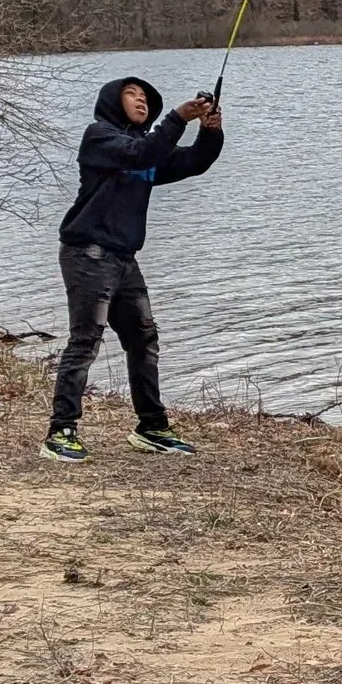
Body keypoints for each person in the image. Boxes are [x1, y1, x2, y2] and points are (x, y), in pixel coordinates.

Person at [43, 74, 225, 462]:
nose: (141, 100)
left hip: (124, 259)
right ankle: (61, 432)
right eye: (131, 94)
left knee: (143, 339)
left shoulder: (146, 150)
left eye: (146, 97)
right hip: (87, 253)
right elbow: (139, 154)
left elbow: (191, 162)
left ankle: (152, 427)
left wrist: (210, 132)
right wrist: (177, 117)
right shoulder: (99, 137)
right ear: (112, 101)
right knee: (86, 340)